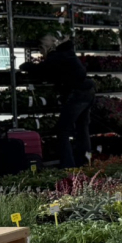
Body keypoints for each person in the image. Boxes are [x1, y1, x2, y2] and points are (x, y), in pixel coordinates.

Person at [20, 37, 94, 168]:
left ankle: (68, 166)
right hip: (87, 92)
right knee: (82, 129)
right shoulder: (67, 53)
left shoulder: (57, 57)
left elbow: (42, 70)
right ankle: (85, 163)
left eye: (41, 50)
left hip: (76, 94)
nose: (41, 54)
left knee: (62, 131)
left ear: (46, 48)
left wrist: (26, 66)